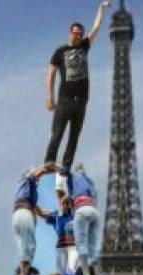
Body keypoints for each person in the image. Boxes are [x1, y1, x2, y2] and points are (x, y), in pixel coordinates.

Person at [44, 3, 112, 173]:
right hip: (64, 100)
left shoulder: (84, 47)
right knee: (57, 133)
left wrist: (101, 8)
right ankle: (49, 161)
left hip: (81, 102)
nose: (79, 37)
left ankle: (66, 165)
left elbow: (96, 27)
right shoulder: (60, 52)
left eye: (81, 34)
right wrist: (50, 98)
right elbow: (51, 74)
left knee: (74, 137)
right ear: (70, 33)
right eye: (76, 34)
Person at [13, 166, 53, 274]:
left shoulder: (25, 192)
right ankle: (26, 271)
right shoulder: (28, 182)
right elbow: (35, 175)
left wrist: (55, 216)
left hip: (17, 215)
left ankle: (23, 269)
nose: (38, 182)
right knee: (30, 245)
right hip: (25, 214)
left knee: (23, 244)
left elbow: (40, 212)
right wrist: (49, 168)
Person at [68, 164, 100, 275]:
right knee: (92, 244)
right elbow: (95, 198)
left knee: (81, 244)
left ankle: (86, 274)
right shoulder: (89, 181)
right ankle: (94, 270)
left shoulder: (72, 177)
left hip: (81, 209)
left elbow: (69, 198)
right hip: (94, 211)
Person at [39, 197, 78, 275]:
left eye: (68, 203)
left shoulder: (75, 216)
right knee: (60, 273)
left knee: (73, 271)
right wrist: (32, 205)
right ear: (61, 205)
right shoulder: (56, 215)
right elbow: (42, 214)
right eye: (64, 203)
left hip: (73, 246)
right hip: (61, 247)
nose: (66, 206)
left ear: (71, 205)